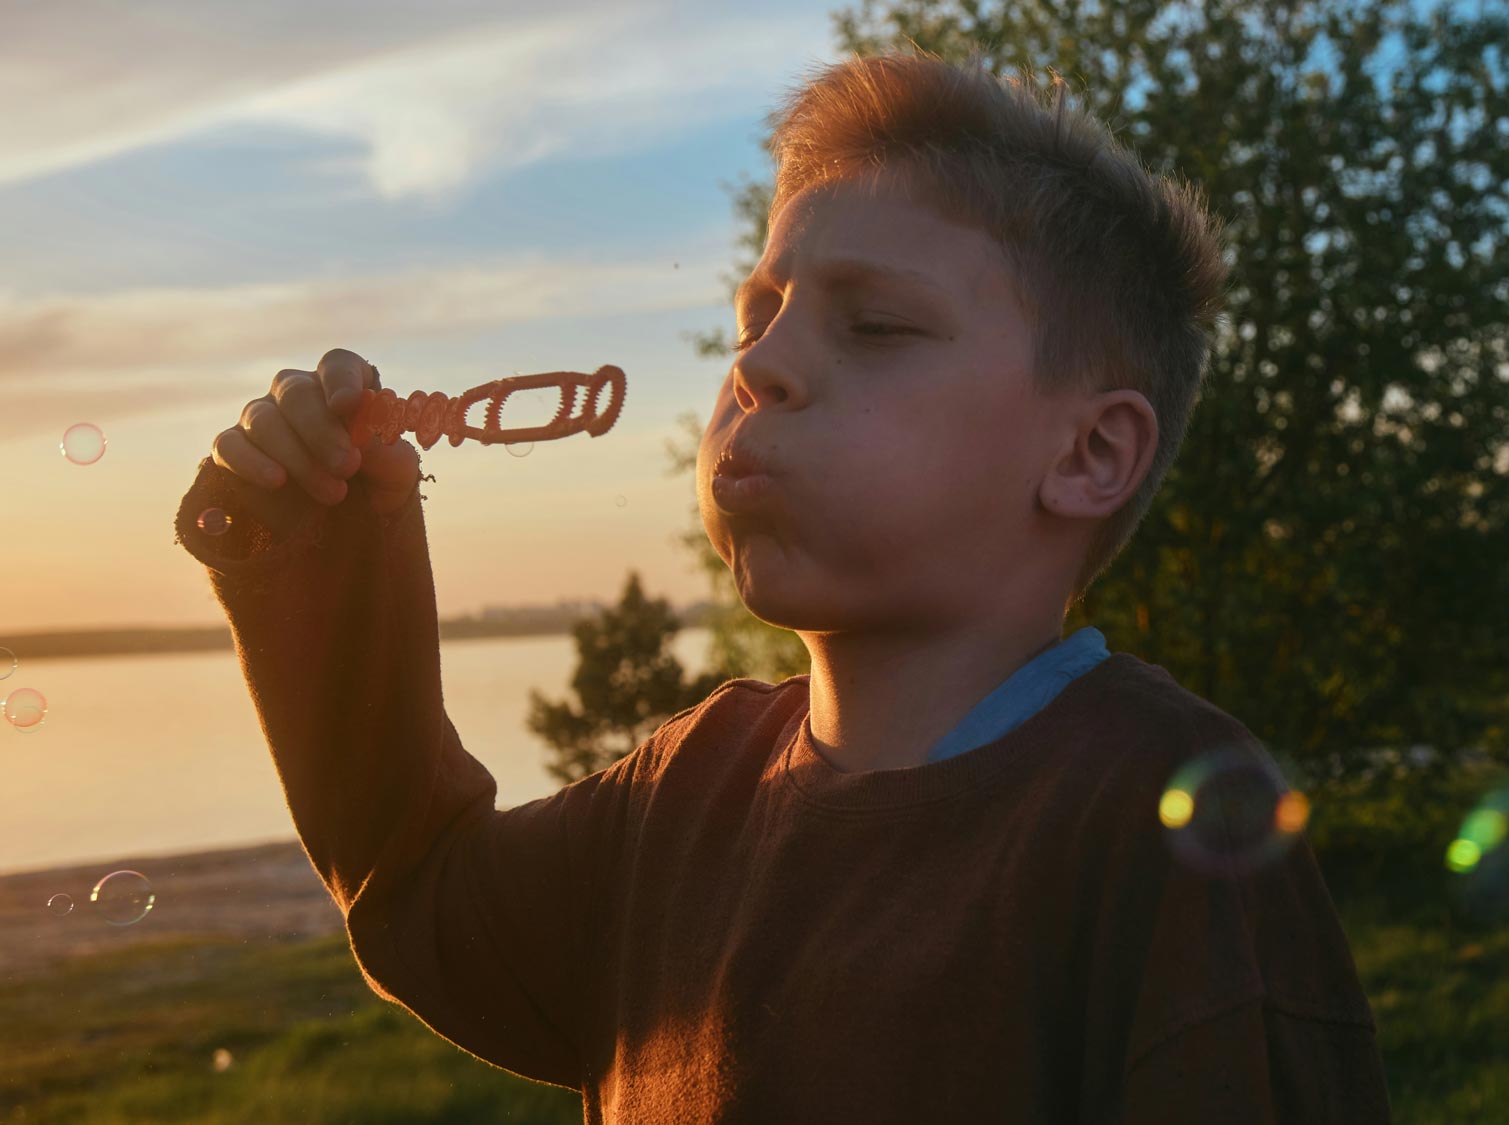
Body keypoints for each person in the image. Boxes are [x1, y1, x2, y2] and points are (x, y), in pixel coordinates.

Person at [177, 44, 1391, 1124]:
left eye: (873, 327)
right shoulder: (682, 789)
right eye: (760, 313)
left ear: (1086, 454)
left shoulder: (1157, 834)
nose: (758, 365)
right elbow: (421, 893)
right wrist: (322, 556)